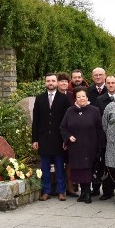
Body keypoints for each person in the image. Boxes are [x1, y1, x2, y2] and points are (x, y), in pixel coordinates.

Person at [60, 86, 104, 204]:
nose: (81, 99)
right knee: (79, 170)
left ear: (87, 97)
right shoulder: (70, 111)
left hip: (90, 146)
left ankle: (88, 193)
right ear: (75, 98)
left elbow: (99, 129)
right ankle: (83, 192)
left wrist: (100, 146)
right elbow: (63, 127)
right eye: (78, 97)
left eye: (83, 96)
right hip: (76, 147)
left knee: (88, 169)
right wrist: (68, 136)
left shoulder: (94, 110)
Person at [32, 73, 71, 201]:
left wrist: (66, 139)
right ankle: (46, 191)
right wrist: (35, 139)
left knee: (60, 167)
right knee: (45, 167)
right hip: (43, 139)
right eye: (48, 81)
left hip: (59, 139)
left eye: (53, 80)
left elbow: (67, 121)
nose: (51, 83)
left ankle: (61, 191)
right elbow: (36, 121)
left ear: (57, 82)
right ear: (45, 83)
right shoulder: (40, 98)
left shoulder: (64, 99)